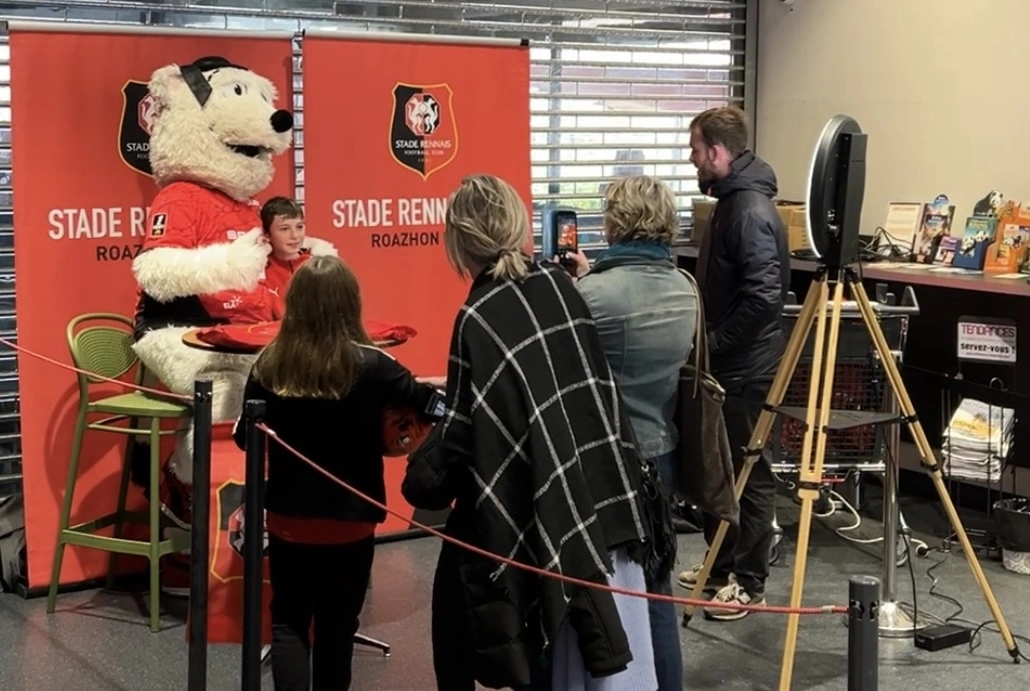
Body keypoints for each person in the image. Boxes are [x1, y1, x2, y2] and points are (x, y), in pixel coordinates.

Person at [401, 174, 659, 691]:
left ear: (457, 238)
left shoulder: (478, 315)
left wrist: (420, 477)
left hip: (538, 506)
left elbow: (465, 429)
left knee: (461, 601)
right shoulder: (560, 286)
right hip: (598, 487)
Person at [232, 255, 438, 690]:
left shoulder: (270, 364)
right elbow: (433, 406)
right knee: (337, 627)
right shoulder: (377, 365)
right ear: (351, 303)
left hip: (288, 519)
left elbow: (242, 437)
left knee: (288, 621)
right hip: (352, 521)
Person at [563, 175, 696, 691]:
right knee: (657, 594)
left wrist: (582, 284)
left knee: (598, 593)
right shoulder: (685, 289)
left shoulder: (592, 295)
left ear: (618, 221)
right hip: (661, 452)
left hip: (607, 464)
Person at [676, 106, 790, 620]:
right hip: (730, 365)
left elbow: (764, 297)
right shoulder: (732, 201)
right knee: (720, 470)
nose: (692, 158)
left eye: (697, 150)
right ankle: (718, 569)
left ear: (718, 153)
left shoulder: (748, 210)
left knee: (751, 472)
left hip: (747, 368)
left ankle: (749, 583)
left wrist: (715, 342)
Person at [259, 196, 338, 318]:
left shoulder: (318, 265)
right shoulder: (258, 271)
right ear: (267, 234)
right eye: (285, 229)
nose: (295, 236)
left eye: (299, 227)